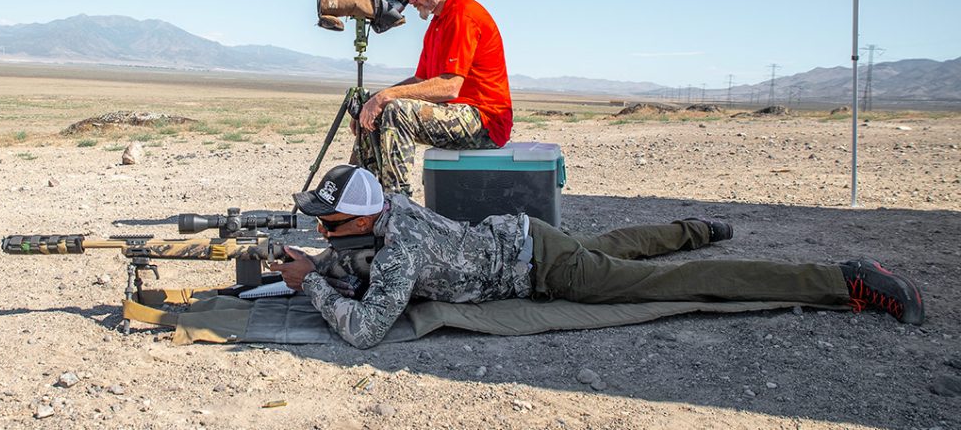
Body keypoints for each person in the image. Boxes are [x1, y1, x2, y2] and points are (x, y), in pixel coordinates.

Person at [275, 165, 925, 349]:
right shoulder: (387, 208)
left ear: (359, 218)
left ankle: (843, 279)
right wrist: (322, 258)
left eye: (328, 222)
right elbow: (360, 245)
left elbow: (364, 332)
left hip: (542, 268)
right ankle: (696, 225)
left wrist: (311, 284)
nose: (323, 229)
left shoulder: (398, 250)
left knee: (666, 283)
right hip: (524, 237)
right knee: (613, 246)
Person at [351, 0, 513, 196]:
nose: (411, 0)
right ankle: (366, 200)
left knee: (397, 110)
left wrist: (386, 97)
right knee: (371, 106)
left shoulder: (464, 15)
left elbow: (449, 87)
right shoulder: (438, 23)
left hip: (485, 121)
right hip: (457, 112)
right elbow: (421, 81)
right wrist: (373, 101)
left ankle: (396, 205)